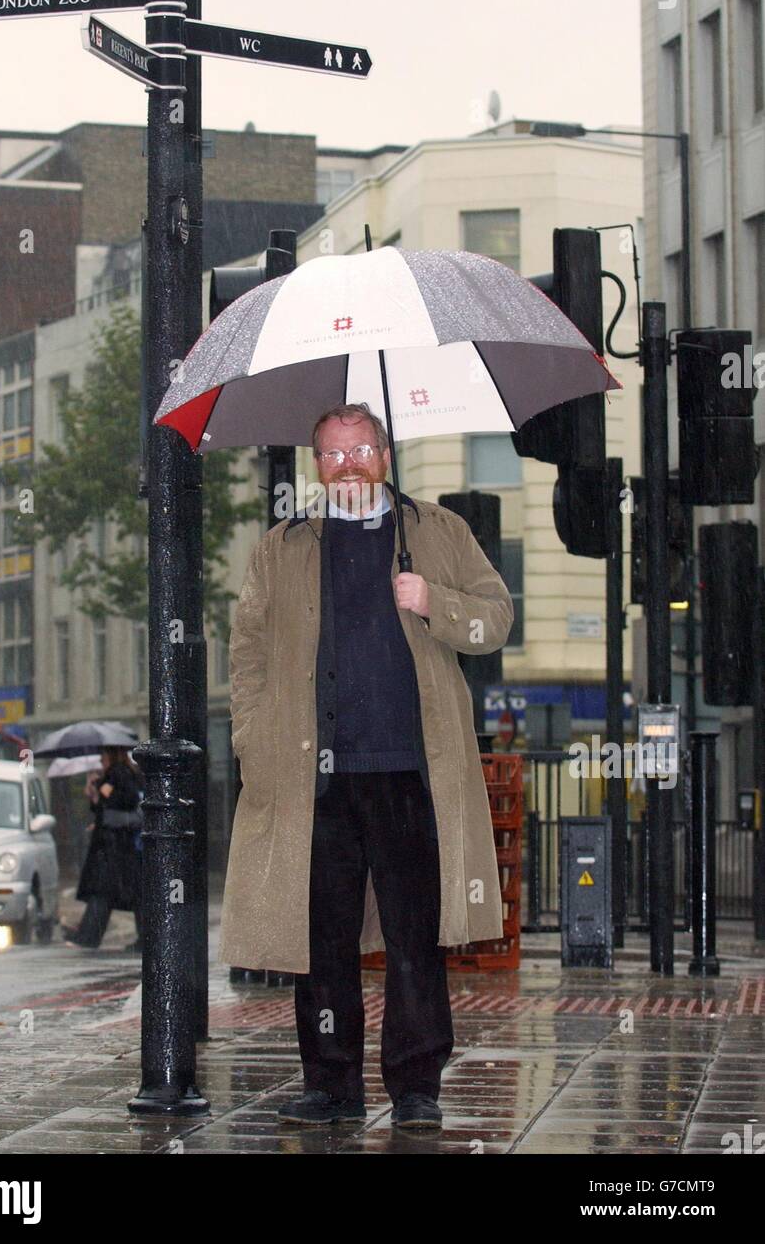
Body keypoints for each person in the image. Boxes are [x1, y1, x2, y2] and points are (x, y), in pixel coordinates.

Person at [220, 402, 514, 1130]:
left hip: (409, 773)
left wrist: (433, 601)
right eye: (330, 455)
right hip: (309, 780)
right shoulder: (280, 548)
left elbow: (495, 618)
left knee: (416, 937)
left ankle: (416, 1087)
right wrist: (251, 741)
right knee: (320, 940)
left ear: (383, 452)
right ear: (314, 466)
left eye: (359, 451)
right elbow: (247, 653)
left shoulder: (438, 533)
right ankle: (331, 1086)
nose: (346, 466)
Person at [64, 746, 143, 951]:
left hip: (115, 846)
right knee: (127, 893)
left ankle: (89, 935)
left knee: (105, 891)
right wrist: (95, 792)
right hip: (117, 845)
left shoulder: (118, 774)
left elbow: (124, 800)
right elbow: (104, 806)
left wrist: (100, 789)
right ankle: (89, 934)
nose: (101, 761)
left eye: (103, 757)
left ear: (111, 756)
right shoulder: (122, 773)